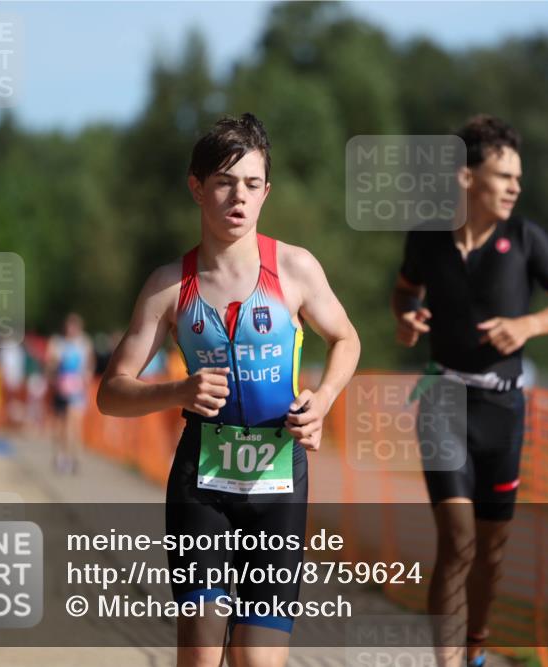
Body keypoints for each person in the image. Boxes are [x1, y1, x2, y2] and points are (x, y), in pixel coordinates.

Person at [97, 113, 360, 667]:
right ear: (197, 188)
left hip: (279, 486)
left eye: (252, 184)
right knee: (198, 657)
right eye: (223, 182)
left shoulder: (295, 268)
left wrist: (325, 399)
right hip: (202, 485)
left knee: (257, 661)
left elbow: (347, 339)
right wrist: (176, 392)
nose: (238, 197)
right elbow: (111, 393)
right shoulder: (169, 285)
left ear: (267, 191)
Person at [391, 114, 548, 667]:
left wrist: (527, 326)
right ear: (466, 177)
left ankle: (475, 647)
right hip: (442, 399)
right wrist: (407, 321)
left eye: (518, 178)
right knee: (457, 540)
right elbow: (404, 293)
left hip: (503, 408)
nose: (514, 187)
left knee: (491, 552)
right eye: (503, 175)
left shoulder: (526, 239)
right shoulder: (427, 237)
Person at [46, 313, 94, 474]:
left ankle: (75, 457)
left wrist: (85, 378)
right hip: (61, 388)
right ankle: (61, 455)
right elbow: (50, 365)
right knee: (60, 425)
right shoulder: (57, 343)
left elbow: (89, 365)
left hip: (77, 389)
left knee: (75, 424)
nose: (71, 329)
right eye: (69, 326)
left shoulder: (84, 343)